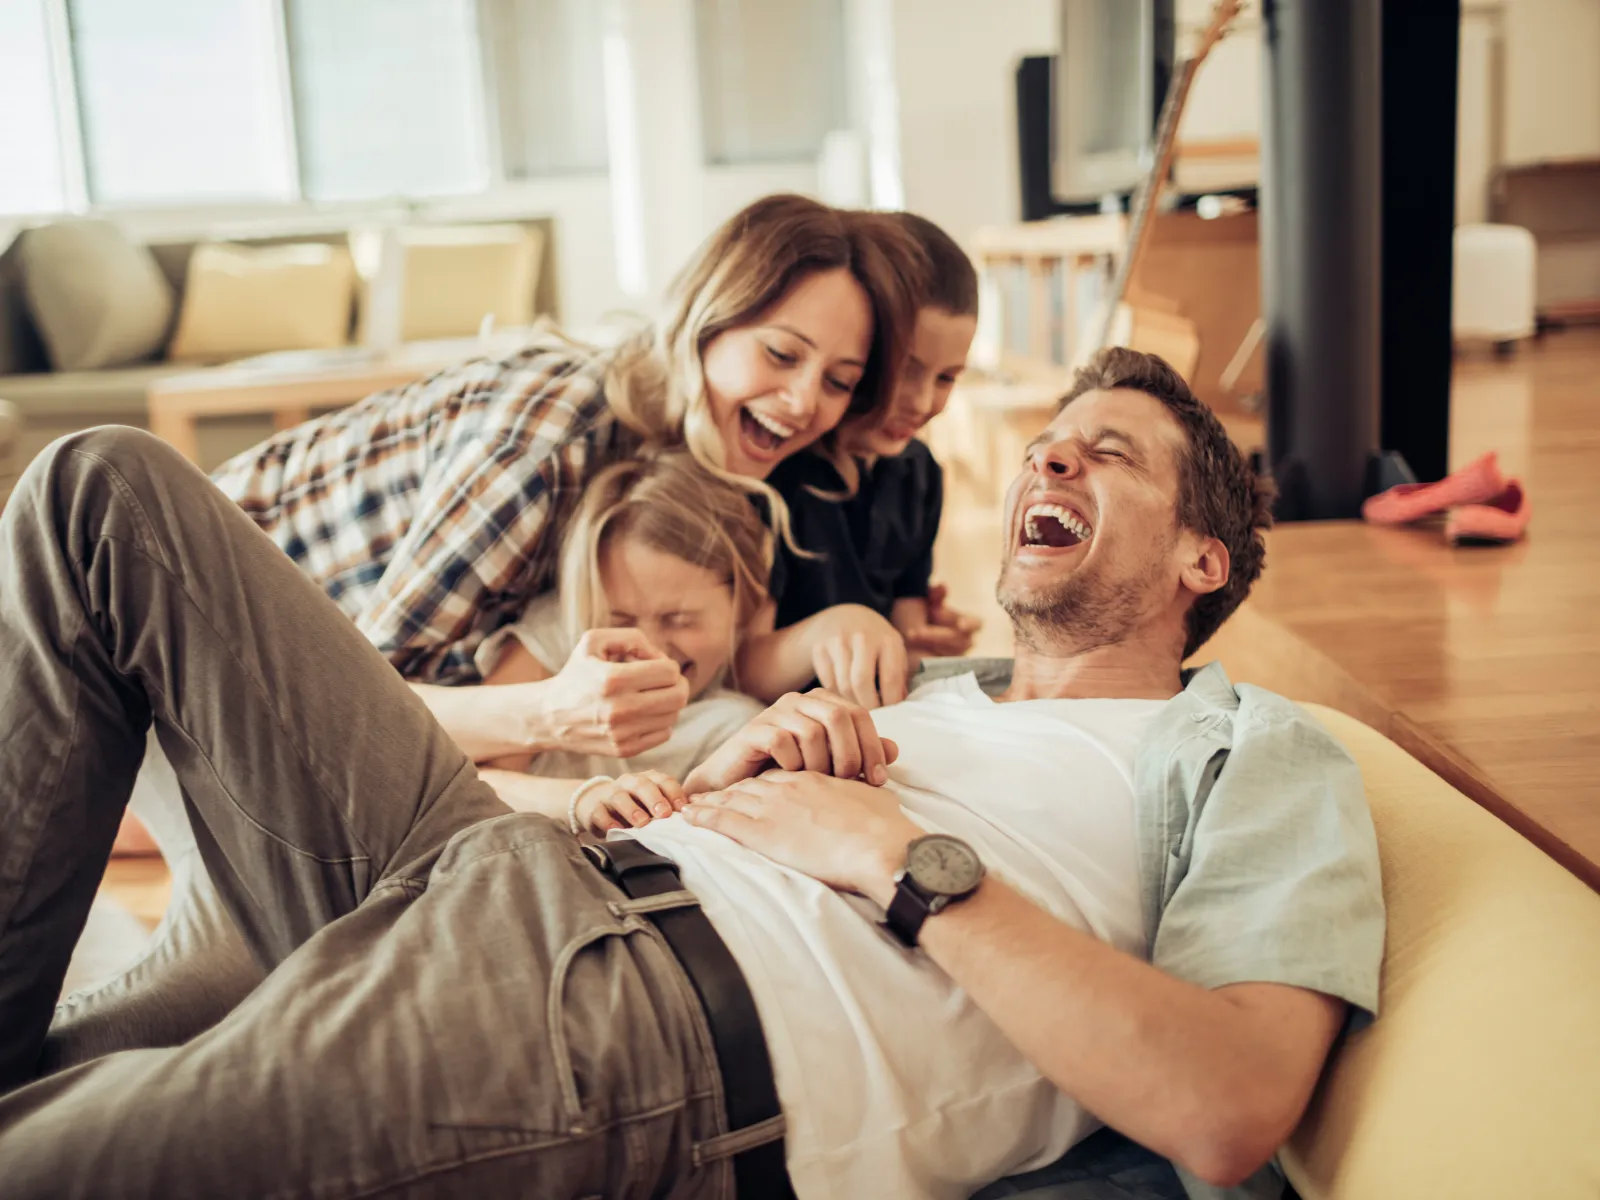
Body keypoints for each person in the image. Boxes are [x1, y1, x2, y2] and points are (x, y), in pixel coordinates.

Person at [0, 347, 1384, 1200]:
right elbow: (732, 746)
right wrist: (739, 772)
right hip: (509, 868)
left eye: (1110, 451)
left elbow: (1226, 1105)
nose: (1052, 451)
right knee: (98, 492)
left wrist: (896, 860)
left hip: (628, 1020)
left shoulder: (1256, 752)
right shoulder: (931, 689)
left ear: (1203, 563)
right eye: (1050, 440)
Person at [211, 194, 925, 759]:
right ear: (707, 322)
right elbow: (356, 713)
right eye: (779, 354)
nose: (804, 403)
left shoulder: (728, 450)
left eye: (838, 380)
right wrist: (552, 717)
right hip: (201, 616)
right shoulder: (553, 440)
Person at [748, 212, 985, 708]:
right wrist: (831, 633)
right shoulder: (775, 472)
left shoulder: (919, 476)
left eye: (947, 378)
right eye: (905, 370)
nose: (922, 403)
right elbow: (740, 669)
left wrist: (915, 643)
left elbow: (905, 627)